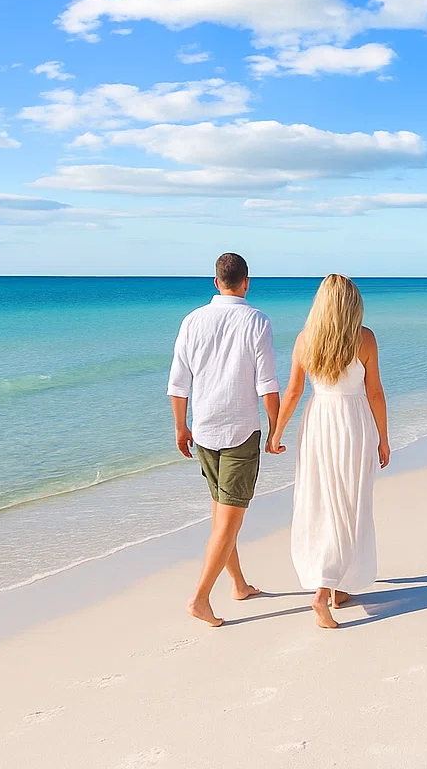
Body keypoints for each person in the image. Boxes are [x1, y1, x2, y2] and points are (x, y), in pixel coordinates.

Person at [267, 274, 390, 629]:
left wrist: (276, 433)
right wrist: (383, 437)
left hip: (319, 420)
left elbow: (292, 392)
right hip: (352, 421)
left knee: (323, 501)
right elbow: (375, 392)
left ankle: (339, 588)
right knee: (350, 501)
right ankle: (323, 592)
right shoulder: (364, 338)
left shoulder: (307, 339)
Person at [168, 253, 281, 627]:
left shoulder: (192, 320)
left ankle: (238, 584)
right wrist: (276, 428)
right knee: (229, 523)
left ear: (216, 282)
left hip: (204, 430)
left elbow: (178, 381)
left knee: (221, 513)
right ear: (246, 282)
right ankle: (199, 599)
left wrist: (180, 427)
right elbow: (266, 382)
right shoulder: (257, 321)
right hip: (240, 433)